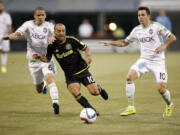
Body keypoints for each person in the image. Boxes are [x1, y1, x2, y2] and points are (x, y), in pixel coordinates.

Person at [100, 6, 176, 118]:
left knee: (161, 89)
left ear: (148, 16)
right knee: (129, 77)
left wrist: (163, 46)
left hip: (158, 62)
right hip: (144, 61)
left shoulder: (156, 27)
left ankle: (169, 104)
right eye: (139, 15)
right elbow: (124, 43)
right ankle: (131, 108)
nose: (140, 17)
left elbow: (172, 38)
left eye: (143, 15)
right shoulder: (136, 30)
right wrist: (110, 43)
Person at [33, 23, 108, 116]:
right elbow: (47, 59)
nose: (61, 33)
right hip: (70, 75)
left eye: (63, 31)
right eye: (59, 31)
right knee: (75, 92)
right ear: (54, 32)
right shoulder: (51, 45)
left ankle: (99, 88)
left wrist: (88, 56)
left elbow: (86, 48)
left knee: (94, 92)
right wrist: (40, 57)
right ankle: (91, 110)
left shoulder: (71, 40)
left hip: (82, 70)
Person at [3, 7, 60, 114]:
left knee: (50, 78)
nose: (40, 17)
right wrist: (12, 36)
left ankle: (55, 103)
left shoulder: (49, 25)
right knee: (39, 90)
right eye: (38, 15)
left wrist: (53, 37)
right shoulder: (28, 24)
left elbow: (55, 34)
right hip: (33, 61)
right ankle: (42, 83)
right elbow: (18, 33)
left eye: (42, 15)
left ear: (45, 16)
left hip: (46, 59)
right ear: (34, 16)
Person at [0, 1, 12, 73]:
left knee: (4, 52)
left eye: (1, 6)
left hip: (4, 37)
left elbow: (9, 26)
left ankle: (3, 66)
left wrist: (10, 33)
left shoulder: (6, 16)